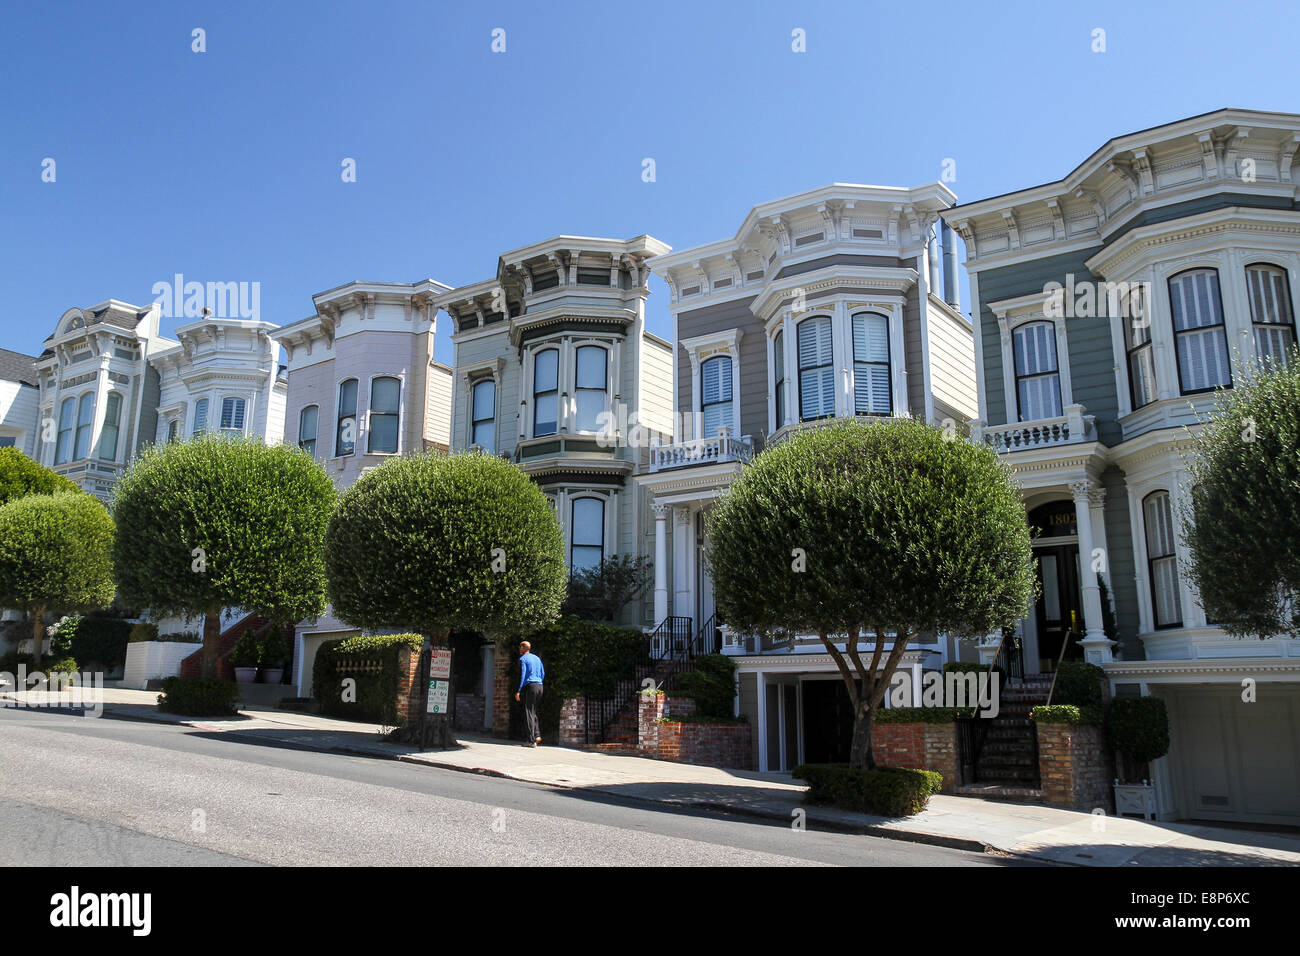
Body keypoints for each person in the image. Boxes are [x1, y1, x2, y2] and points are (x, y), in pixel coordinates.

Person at [515, 640, 545, 747]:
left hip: (531, 686)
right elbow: (542, 673)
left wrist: (518, 691)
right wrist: (539, 682)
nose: (519, 649)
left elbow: (522, 675)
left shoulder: (523, 659)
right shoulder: (537, 658)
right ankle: (537, 735)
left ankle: (531, 741)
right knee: (532, 711)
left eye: (520, 647)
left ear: (523, 648)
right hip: (540, 686)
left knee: (528, 712)